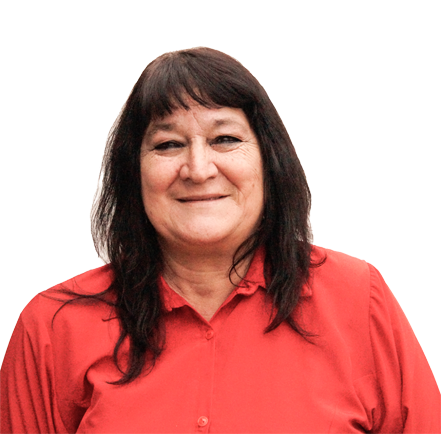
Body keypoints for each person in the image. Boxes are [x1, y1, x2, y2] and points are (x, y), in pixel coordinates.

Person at [1, 47, 440, 434]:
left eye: (225, 139)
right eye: (168, 144)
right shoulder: (53, 328)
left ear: (269, 159)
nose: (198, 169)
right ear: (132, 172)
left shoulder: (358, 298)